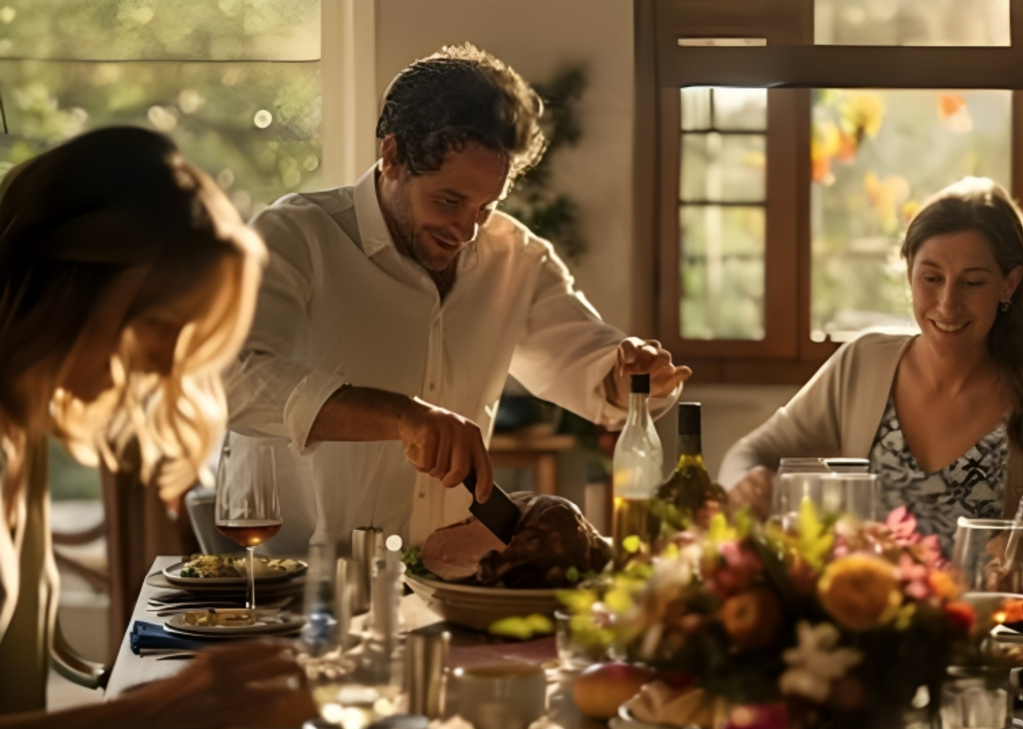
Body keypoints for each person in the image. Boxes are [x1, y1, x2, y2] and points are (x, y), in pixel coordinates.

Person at [223, 44, 690, 551]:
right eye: (449, 201)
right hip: (294, 589)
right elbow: (236, 380)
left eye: (485, 207)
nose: (467, 230)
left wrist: (628, 379)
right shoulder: (296, 236)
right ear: (393, 156)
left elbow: (592, 373)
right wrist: (403, 417)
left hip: (442, 588)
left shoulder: (517, 258)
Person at [0, 128, 303, 729]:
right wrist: (157, 713)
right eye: (161, 325)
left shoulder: (18, 435)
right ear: (69, 278)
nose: (166, 364)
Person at [718, 177, 1023, 576]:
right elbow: (746, 454)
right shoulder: (863, 363)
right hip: (854, 629)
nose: (948, 303)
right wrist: (745, 482)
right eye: (931, 278)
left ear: (1009, 284)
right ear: (909, 274)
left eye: (972, 282)